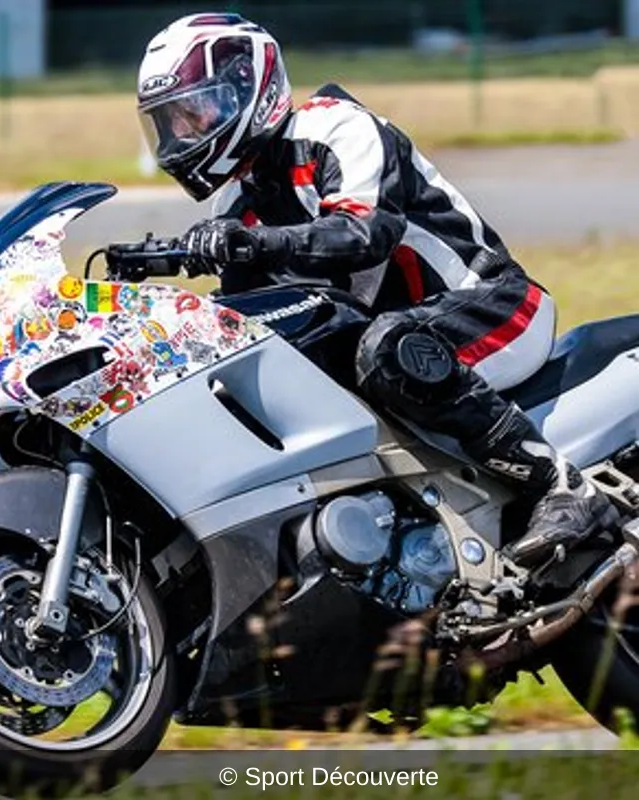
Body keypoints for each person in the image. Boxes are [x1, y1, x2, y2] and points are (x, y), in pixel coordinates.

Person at [127, 11, 617, 568]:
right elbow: (245, 327)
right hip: (398, 348)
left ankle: (563, 487)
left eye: (195, 112)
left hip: (490, 306)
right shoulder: (237, 205)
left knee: (387, 349)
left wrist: (250, 245)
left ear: (248, 85)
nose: (181, 136)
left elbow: (365, 234)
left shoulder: (334, 129)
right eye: (169, 122)